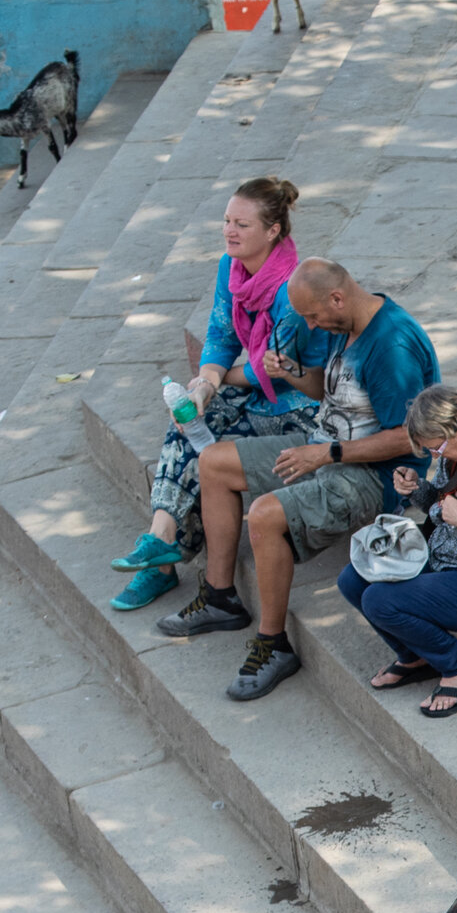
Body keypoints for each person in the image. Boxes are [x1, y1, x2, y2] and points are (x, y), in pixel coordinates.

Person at [156, 258, 440, 703]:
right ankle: (220, 598)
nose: (310, 325)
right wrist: (291, 372)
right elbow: (329, 392)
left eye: (312, 315)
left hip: (373, 477)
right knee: (213, 462)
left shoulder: (390, 347)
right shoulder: (342, 325)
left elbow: (411, 436)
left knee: (266, 515)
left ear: (337, 298)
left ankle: (273, 644)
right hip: (324, 446)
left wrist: (327, 454)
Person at [109, 177, 332, 612]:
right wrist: (205, 381)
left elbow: (271, 366)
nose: (229, 231)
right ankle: (159, 541)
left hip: (298, 405)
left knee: (203, 435)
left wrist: (217, 381)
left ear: (273, 231)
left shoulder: (294, 287)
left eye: (242, 225)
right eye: (227, 221)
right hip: (251, 388)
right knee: (188, 421)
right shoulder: (230, 269)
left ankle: (159, 562)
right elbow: (220, 332)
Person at [338, 386, 457, 719]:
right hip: (447, 562)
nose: (436, 456)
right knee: (353, 579)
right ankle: (416, 656)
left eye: (437, 447)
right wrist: (419, 490)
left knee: (379, 600)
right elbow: (442, 509)